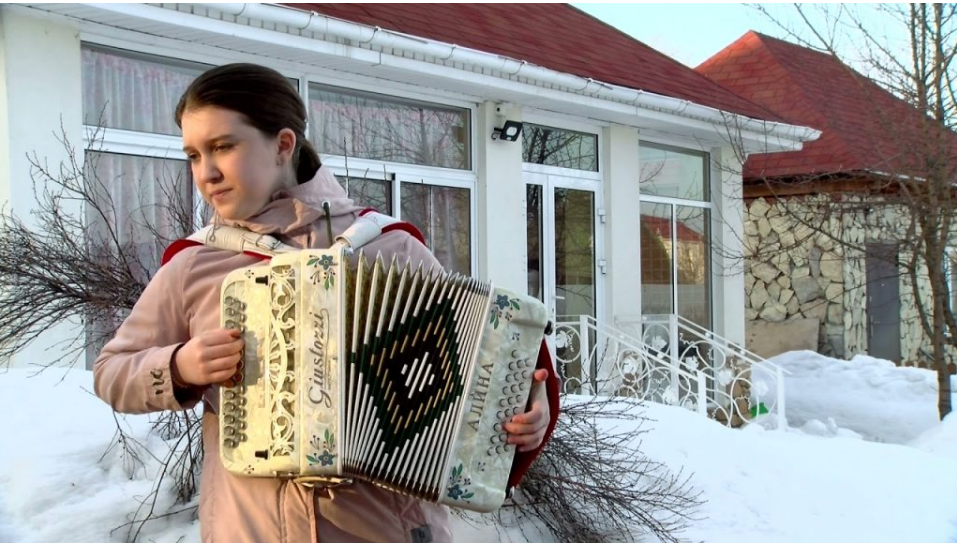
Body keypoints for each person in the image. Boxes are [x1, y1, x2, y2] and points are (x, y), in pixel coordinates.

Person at [93, 63, 558, 543]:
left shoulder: (388, 248)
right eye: (193, 154)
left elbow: (484, 368)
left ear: (283, 144)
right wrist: (178, 365)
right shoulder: (197, 265)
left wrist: (527, 417)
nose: (206, 173)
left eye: (223, 147)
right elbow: (112, 372)